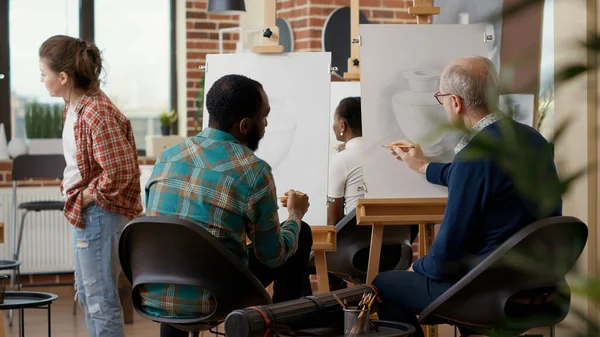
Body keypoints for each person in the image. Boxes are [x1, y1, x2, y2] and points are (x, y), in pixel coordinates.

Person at [372, 56, 562, 337]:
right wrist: (423, 166)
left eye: (441, 97)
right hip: (539, 286)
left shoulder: (474, 156)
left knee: (384, 285)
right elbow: (476, 178)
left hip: (490, 291)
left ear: (456, 102)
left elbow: (447, 253)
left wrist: (417, 268)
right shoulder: (532, 139)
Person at [143, 74, 314, 337]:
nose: (266, 124)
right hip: (217, 298)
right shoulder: (254, 172)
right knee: (300, 235)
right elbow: (273, 255)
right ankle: (281, 329)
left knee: (179, 257)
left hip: (153, 293)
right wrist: (295, 214)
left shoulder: (166, 158)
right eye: (264, 116)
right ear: (245, 125)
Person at [39, 35, 143, 337]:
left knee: (100, 300)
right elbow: (87, 161)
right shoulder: (73, 105)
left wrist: (85, 194)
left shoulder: (95, 111)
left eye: (44, 74)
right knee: (88, 296)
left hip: (100, 213)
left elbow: (120, 171)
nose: (41, 79)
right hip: (89, 212)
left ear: (62, 77)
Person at [327, 96, 364, 226]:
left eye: (334, 121)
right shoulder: (387, 153)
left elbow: (333, 221)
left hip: (358, 242)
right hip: (396, 242)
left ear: (342, 125)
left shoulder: (341, 160)